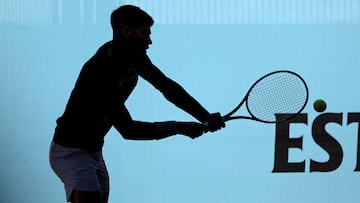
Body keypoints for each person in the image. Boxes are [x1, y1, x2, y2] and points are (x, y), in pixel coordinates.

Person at [49, 5, 225, 203]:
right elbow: (129, 130)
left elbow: (167, 87)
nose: (149, 41)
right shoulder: (101, 73)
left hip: (94, 151)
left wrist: (204, 116)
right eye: (145, 34)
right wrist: (179, 127)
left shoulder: (133, 55)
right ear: (125, 31)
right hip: (71, 153)